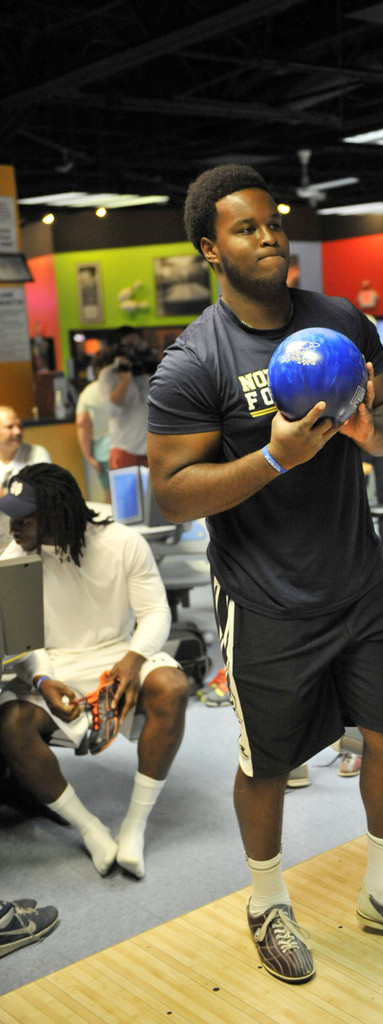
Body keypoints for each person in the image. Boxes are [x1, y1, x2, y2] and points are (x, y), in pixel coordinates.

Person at [146, 164, 383, 985]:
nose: (268, 235)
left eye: (272, 221)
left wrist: (375, 435)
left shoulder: (340, 320)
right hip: (265, 596)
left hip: (359, 580)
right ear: (209, 249)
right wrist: (271, 456)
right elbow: (171, 490)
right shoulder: (195, 360)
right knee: (266, 760)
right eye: (244, 228)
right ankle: (266, 902)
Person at [0, 464, 189, 879]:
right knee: (11, 724)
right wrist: (44, 680)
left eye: (25, 517)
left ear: (56, 513)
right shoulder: (14, 561)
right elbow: (27, 644)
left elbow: (156, 611)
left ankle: (134, 826)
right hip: (58, 664)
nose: (13, 526)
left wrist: (135, 657)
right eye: (11, 514)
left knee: (172, 687)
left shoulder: (122, 542)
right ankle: (90, 829)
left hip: (120, 652)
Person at [98, 327, 158, 470]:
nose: (134, 349)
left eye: (137, 344)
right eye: (129, 345)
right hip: (124, 451)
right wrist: (125, 379)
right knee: (125, 493)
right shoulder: (108, 374)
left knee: (154, 493)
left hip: (150, 452)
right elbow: (111, 410)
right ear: (117, 348)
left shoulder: (145, 373)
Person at [0, 406, 51, 553]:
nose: (17, 431)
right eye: (10, 427)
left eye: (19, 426)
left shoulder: (37, 454)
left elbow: (44, 496)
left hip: (29, 535)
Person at [75, 348, 115, 501]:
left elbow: (82, 424)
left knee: (110, 496)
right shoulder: (126, 387)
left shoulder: (89, 392)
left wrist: (88, 456)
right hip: (132, 448)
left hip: (103, 452)